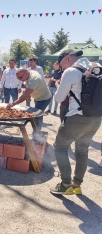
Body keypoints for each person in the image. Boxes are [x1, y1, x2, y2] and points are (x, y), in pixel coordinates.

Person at [50, 49, 101, 195]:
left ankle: (66, 184)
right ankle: (77, 185)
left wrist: (60, 86)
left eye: (61, 66)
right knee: (82, 151)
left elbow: (59, 99)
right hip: (96, 118)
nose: (62, 69)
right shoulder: (96, 67)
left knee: (60, 147)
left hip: (77, 118)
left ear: (66, 59)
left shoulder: (71, 72)